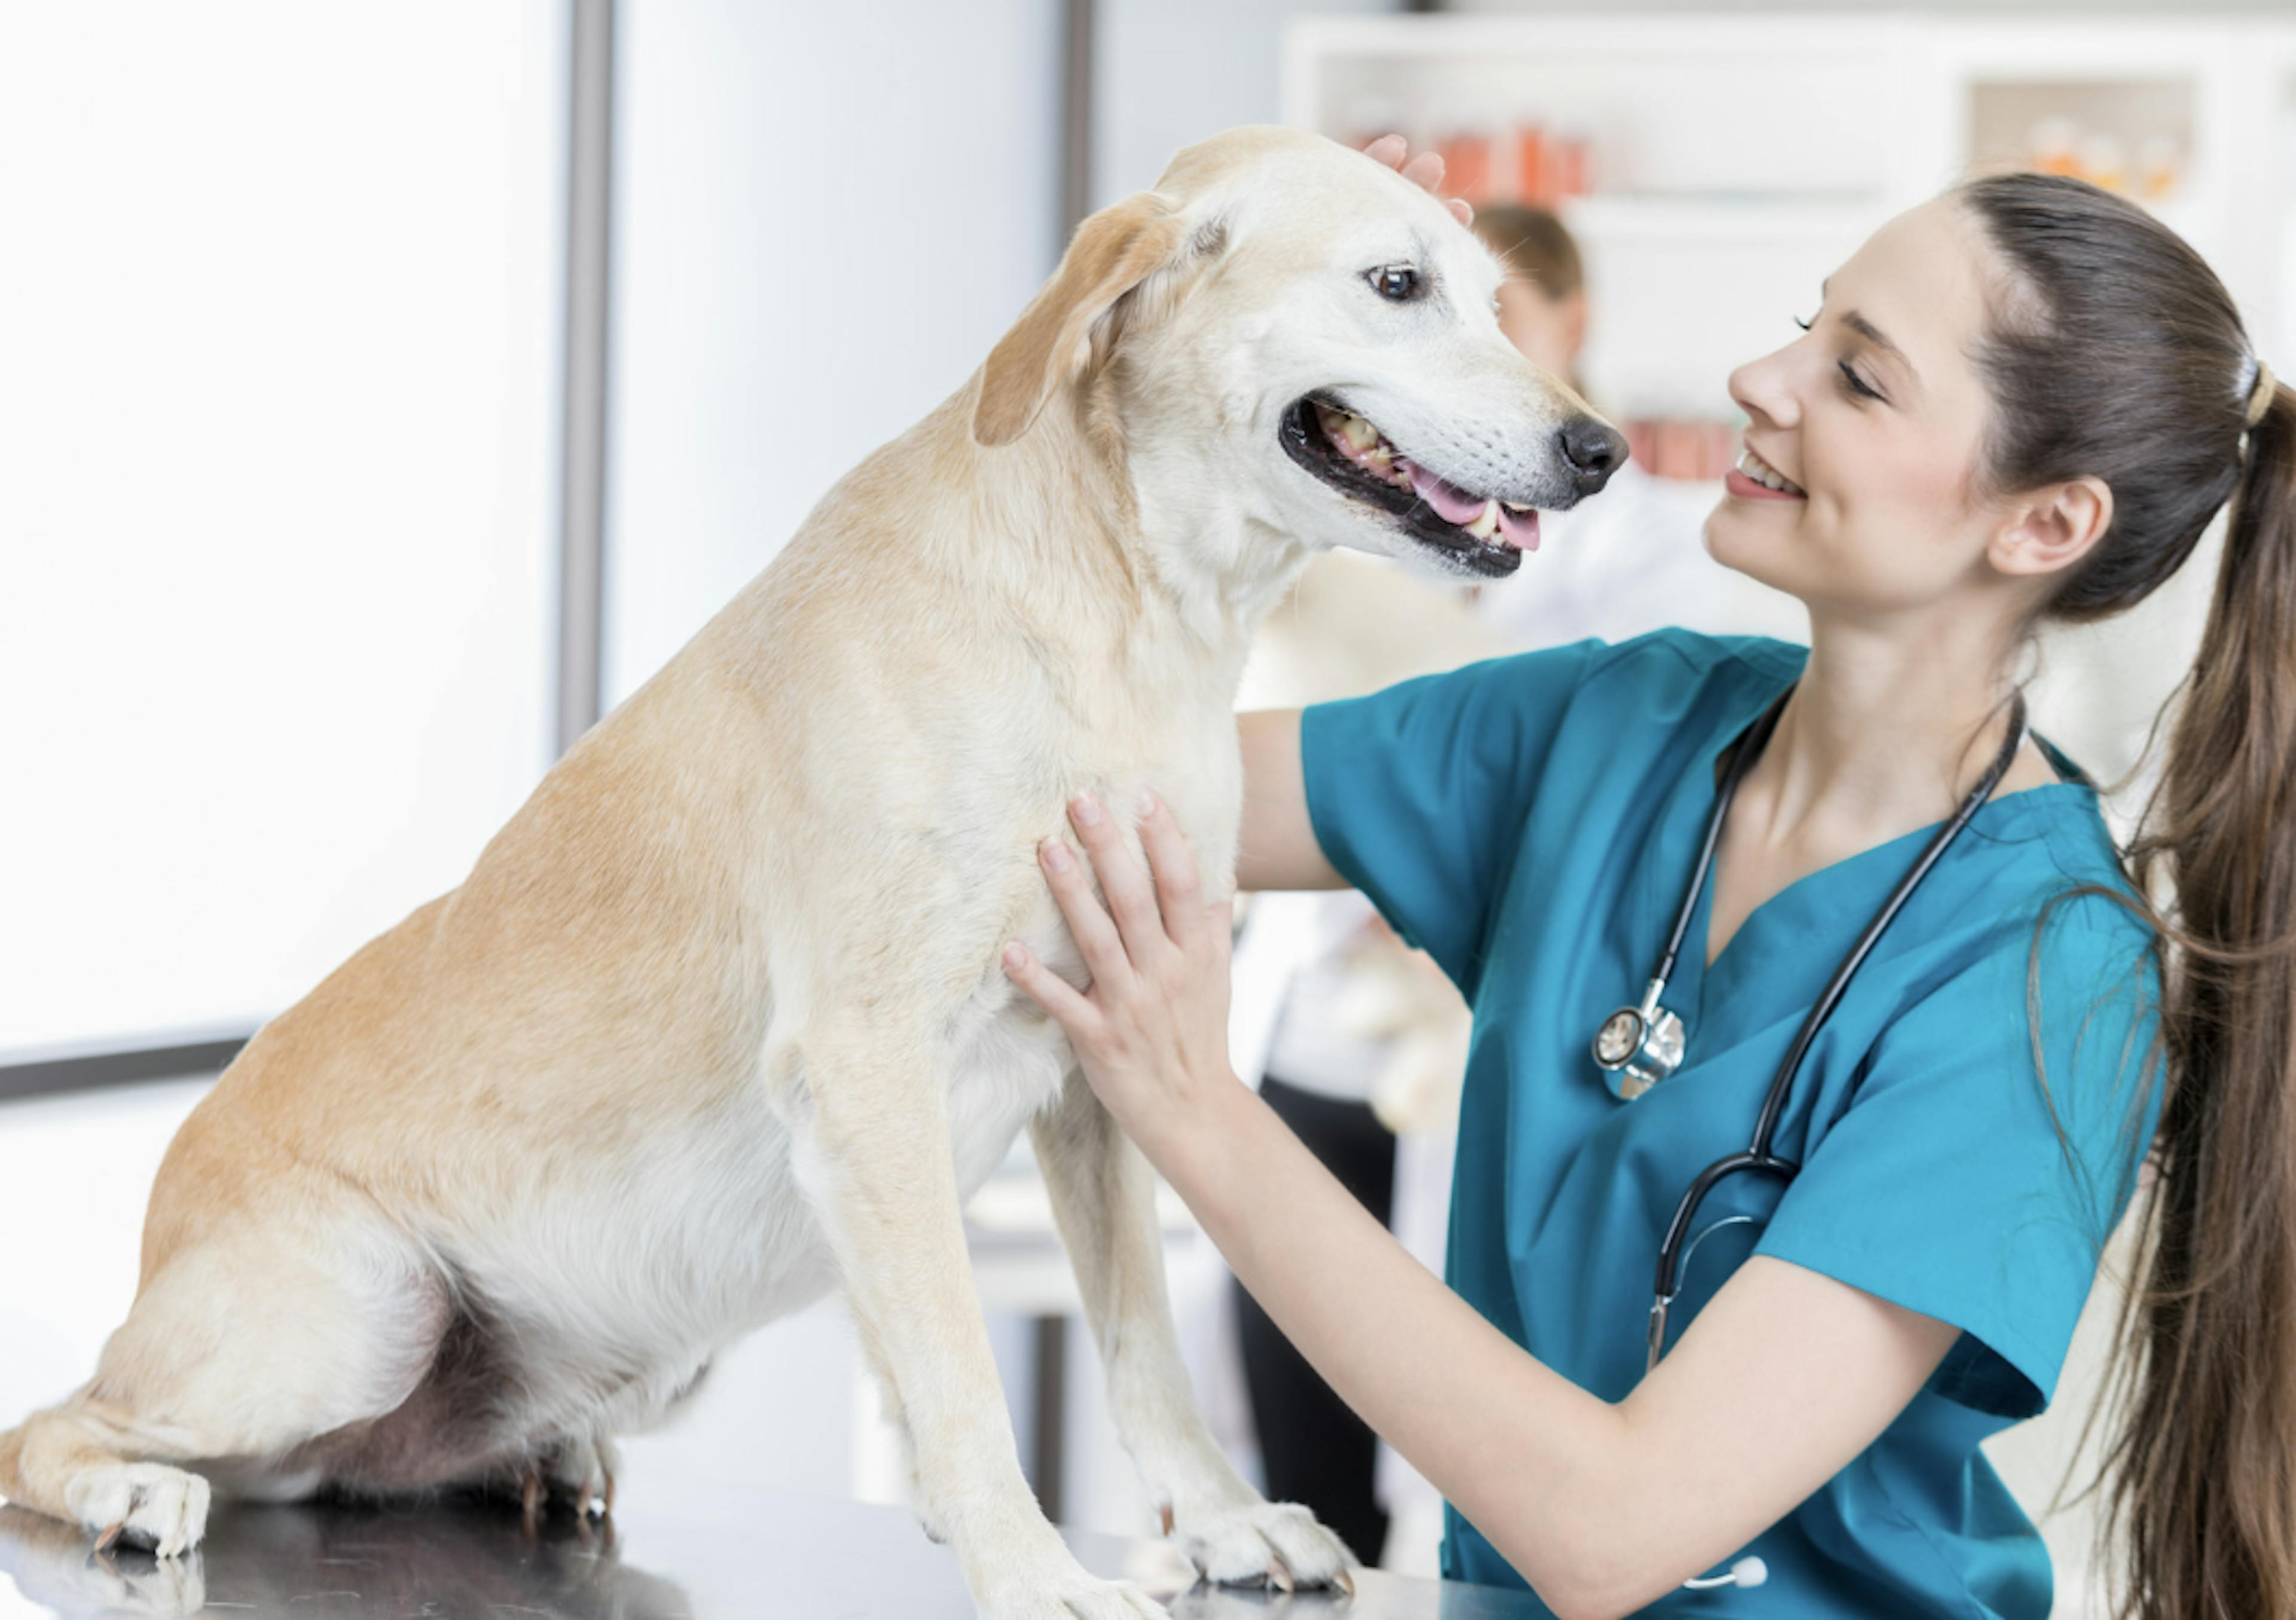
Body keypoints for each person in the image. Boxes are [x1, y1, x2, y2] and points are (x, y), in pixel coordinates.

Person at [1002, 136, 2295, 1620]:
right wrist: (1225, 330)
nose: (1765, 375)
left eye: (1860, 376)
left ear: (2046, 522)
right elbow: (1071, 795)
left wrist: (1194, 1110)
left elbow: (1615, 1529)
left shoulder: (2044, 973)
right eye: (1811, 323)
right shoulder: (1620, 723)